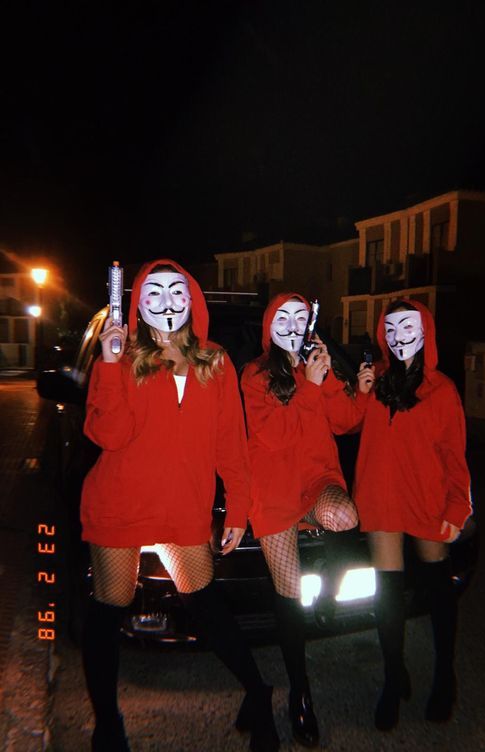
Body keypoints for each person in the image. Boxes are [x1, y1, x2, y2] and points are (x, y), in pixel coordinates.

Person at [80, 259, 279, 752]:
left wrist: (237, 509)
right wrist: (107, 363)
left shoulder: (216, 360)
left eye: (177, 292)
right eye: (155, 292)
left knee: (207, 606)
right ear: (138, 304)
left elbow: (231, 445)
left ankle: (259, 693)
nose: (167, 303)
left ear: (192, 300)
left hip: (183, 507)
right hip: (120, 501)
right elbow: (108, 433)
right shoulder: (123, 359)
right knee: (109, 611)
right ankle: (108, 725)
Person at [240, 292, 364, 748]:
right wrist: (309, 384)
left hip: (315, 482)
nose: (291, 325)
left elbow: (345, 421)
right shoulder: (254, 373)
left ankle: (330, 590)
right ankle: (300, 691)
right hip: (273, 489)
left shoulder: (316, 364)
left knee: (345, 515)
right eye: (282, 318)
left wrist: (347, 383)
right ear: (269, 327)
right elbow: (271, 436)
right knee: (288, 594)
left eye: (299, 317)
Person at [354, 299, 473, 731]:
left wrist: (458, 506)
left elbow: (455, 457)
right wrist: (358, 391)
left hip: (426, 497)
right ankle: (392, 675)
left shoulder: (441, 390)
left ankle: (445, 674)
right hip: (380, 497)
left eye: (408, 327)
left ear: (425, 333)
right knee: (387, 593)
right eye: (390, 328)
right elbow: (344, 422)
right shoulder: (376, 382)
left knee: (436, 585)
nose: (399, 335)